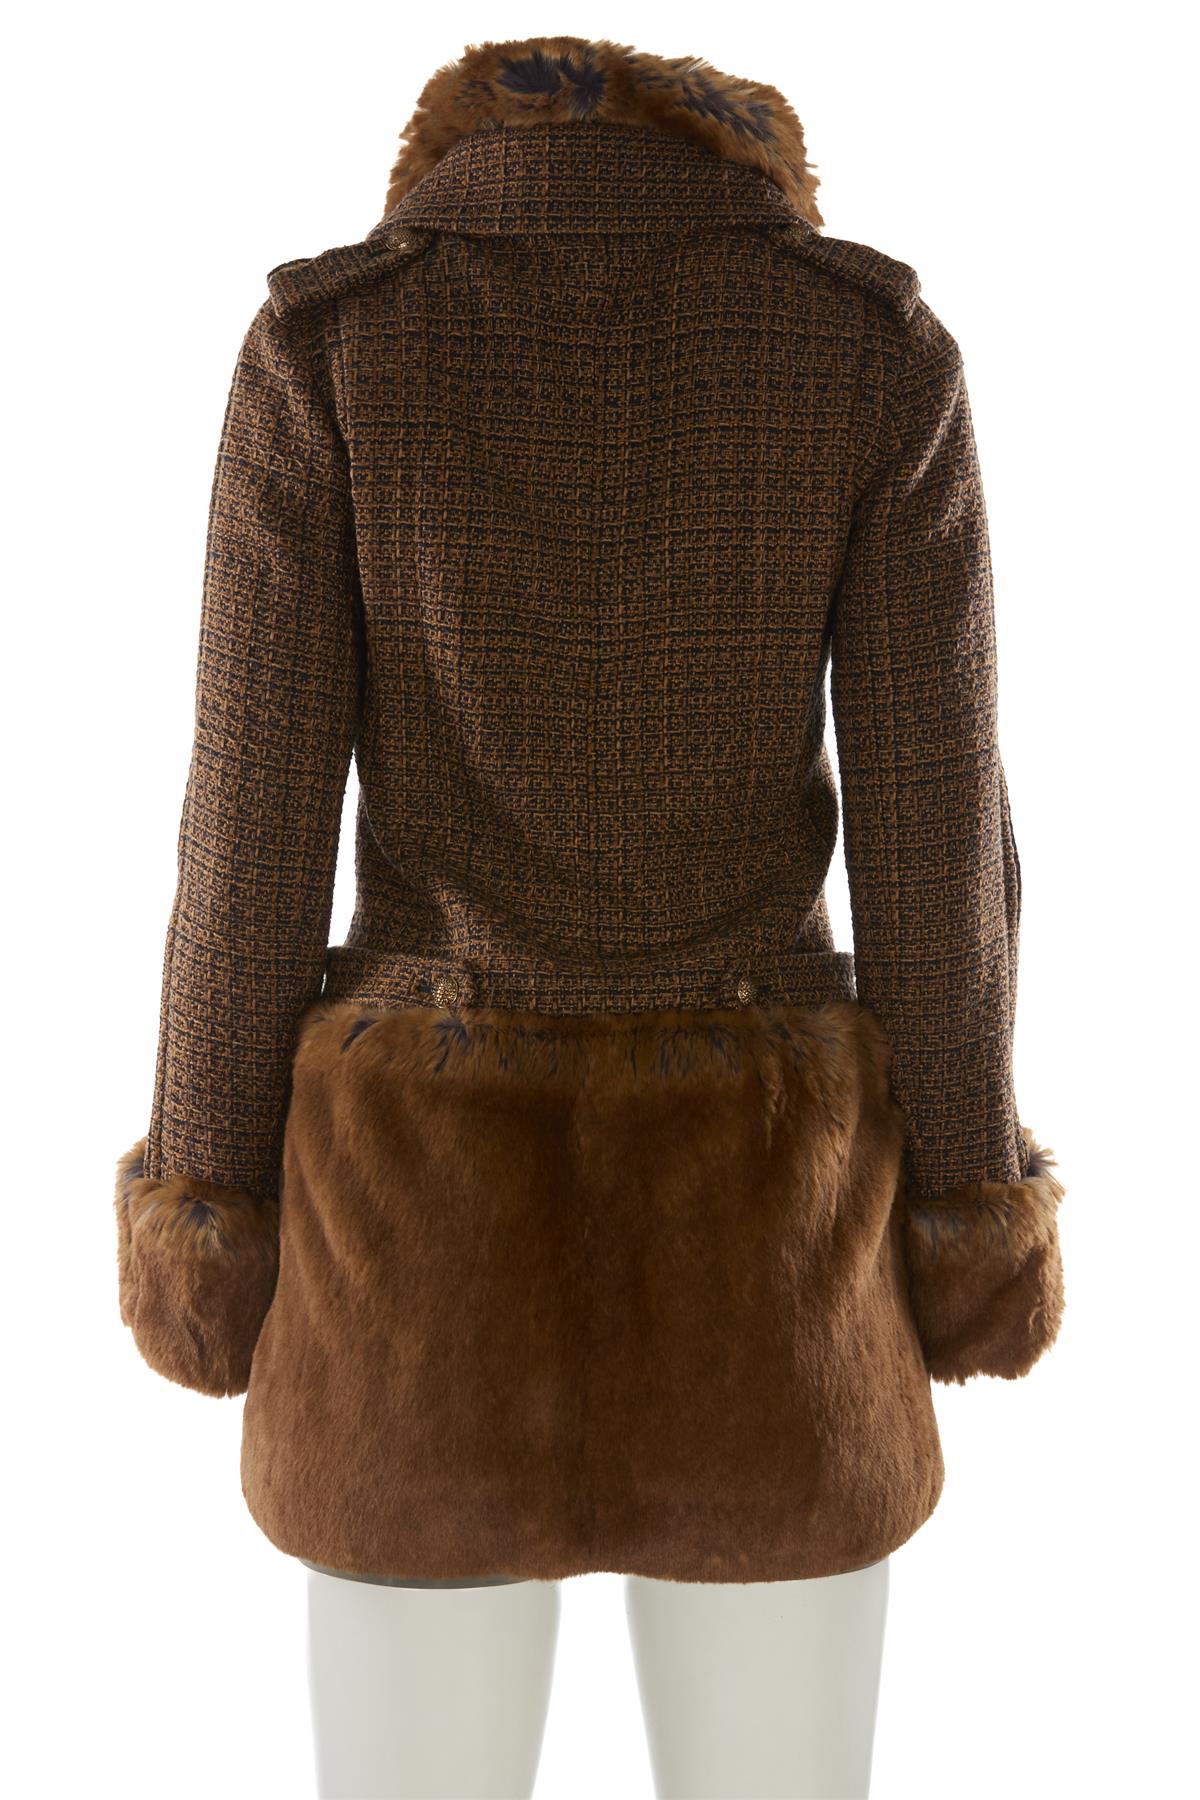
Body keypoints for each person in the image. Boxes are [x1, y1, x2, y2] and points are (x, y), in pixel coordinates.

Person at [113, 35, 1066, 1799]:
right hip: (764, 1243)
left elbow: (245, 833)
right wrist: (966, 1207)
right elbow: (939, 846)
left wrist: (209, 1202)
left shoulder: (335, 346)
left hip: (418, 1239)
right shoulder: (864, 349)